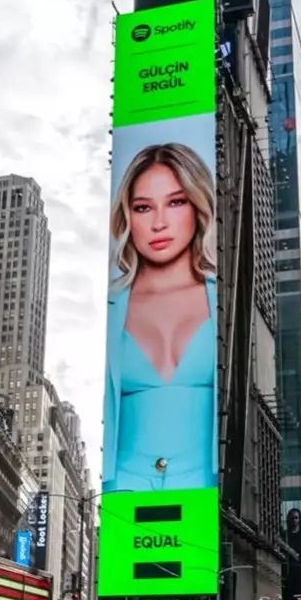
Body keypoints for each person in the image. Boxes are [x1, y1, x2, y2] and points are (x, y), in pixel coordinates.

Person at [102, 142, 218, 493]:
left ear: (198, 206)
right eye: (143, 208)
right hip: (125, 493)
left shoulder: (223, 298)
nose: (159, 223)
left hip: (208, 494)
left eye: (176, 202)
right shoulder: (112, 305)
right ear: (128, 216)